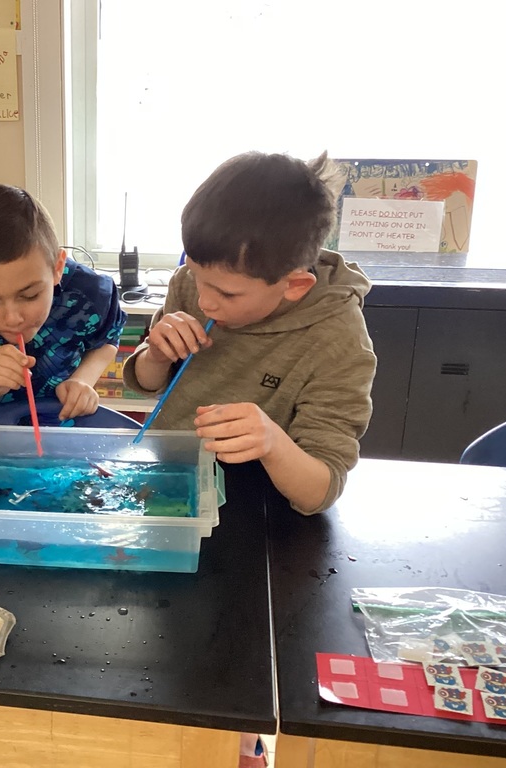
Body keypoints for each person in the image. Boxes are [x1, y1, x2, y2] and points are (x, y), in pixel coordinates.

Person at [123, 151, 376, 767]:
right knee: (148, 656)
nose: (204, 300)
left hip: (257, 537)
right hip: (168, 497)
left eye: (226, 293)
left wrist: (271, 440)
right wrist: (155, 352)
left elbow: (319, 489)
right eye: (195, 277)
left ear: (295, 284)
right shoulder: (200, 280)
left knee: (228, 679)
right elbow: (142, 386)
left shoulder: (338, 342)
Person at [0, 184, 126, 422]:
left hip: (62, 430)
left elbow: (107, 340)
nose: (13, 318)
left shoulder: (90, 294)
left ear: (57, 268)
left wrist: (82, 380)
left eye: (30, 295)